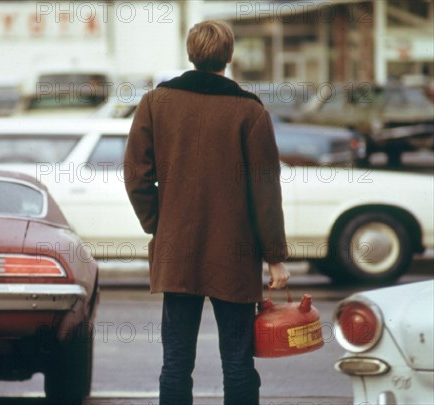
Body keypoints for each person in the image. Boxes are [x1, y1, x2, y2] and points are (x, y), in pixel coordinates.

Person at [124, 20, 290, 405]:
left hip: (176, 250)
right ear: (229, 56)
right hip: (234, 256)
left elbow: (136, 175)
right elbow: (265, 189)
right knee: (237, 361)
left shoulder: (155, 102)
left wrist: (159, 224)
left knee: (176, 362)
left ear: (190, 53)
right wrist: (275, 258)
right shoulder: (250, 111)